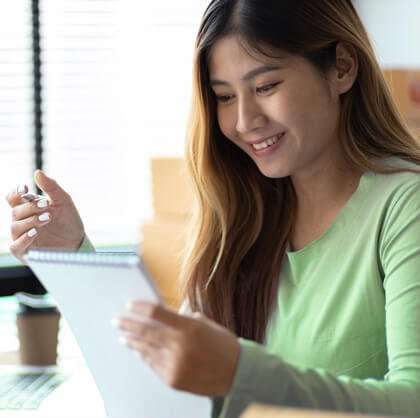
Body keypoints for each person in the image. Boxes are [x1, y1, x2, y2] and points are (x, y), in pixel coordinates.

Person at [6, 1, 420, 417]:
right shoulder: (244, 215)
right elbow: (155, 391)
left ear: (342, 67)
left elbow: (412, 400)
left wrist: (239, 373)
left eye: (266, 87)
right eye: (223, 96)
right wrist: (72, 259)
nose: (244, 121)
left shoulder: (405, 207)